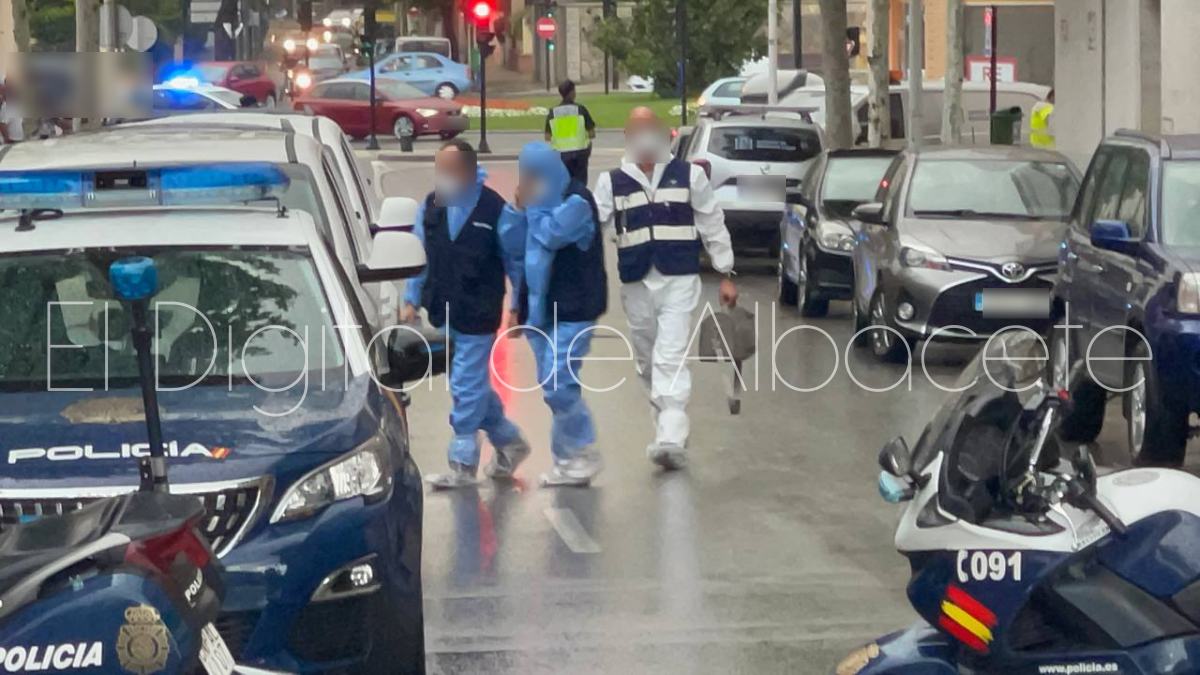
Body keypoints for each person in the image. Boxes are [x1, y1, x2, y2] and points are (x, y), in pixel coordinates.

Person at [592, 107, 737, 471]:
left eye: (649, 128)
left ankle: (672, 434)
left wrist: (725, 270)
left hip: (679, 277)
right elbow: (592, 224)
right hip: (637, 280)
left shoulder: (688, 176)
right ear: (626, 136)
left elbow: (711, 221)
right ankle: (665, 429)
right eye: (636, 129)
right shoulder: (612, 181)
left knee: (669, 356)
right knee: (646, 359)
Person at [401, 139, 531, 489]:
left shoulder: (495, 211)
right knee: (471, 386)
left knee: (464, 384)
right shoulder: (430, 207)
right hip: (443, 311)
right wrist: (411, 298)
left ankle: (462, 462)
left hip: (479, 311)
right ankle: (510, 442)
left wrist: (518, 308)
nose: (442, 177)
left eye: (450, 170)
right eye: (439, 169)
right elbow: (419, 254)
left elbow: (515, 264)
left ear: (470, 172)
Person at [499, 142, 607, 487]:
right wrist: (516, 209)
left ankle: (583, 449)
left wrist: (530, 208)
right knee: (551, 385)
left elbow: (549, 236)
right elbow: (516, 251)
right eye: (525, 173)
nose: (530, 179)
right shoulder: (534, 204)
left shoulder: (576, 201)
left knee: (560, 382)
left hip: (574, 307)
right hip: (538, 310)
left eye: (536, 172)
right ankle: (567, 459)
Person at [544, 79, 596, 184]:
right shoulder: (581, 110)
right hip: (579, 153)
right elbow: (592, 133)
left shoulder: (553, 112)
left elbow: (547, 137)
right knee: (580, 185)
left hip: (560, 155)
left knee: (563, 184)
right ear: (572, 93)